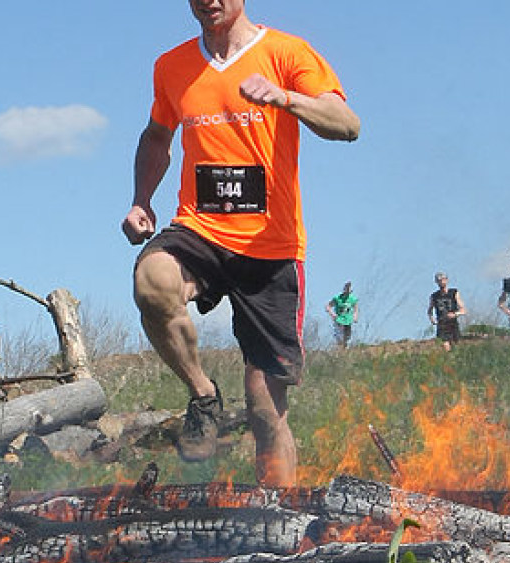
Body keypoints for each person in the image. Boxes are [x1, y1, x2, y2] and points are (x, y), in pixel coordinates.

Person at [121, 0, 360, 487]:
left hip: (270, 249)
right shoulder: (172, 66)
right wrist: (141, 199)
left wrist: (284, 98)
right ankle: (204, 395)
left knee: (265, 412)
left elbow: (347, 124)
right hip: (200, 229)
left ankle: (281, 525)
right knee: (153, 281)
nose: (208, 0)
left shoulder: (287, 52)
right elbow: (156, 136)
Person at [427, 272, 466, 351]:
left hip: (453, 323)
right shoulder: (434, 296)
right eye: (439, 280)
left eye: (443, 280)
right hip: (442, 324)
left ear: (447, 280)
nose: (441, 282)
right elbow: (430, 310)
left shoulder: (454, 293)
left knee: (456, 345)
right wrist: (432, 319)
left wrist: (455, 314)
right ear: (436, 282)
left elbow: (463, 310)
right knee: (445, 345)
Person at [326, 281, 359, 348]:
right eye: (346, 290)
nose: (347, 292)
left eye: (349, 291)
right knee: (340, 337)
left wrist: (355, 317)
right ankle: (339, 348)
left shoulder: (353, 299)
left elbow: (356, 309)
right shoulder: (337, 298)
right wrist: (332, 314)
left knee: (347, 337)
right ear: (344, 290)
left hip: (348, 320)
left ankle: (345, 349)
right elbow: (328, 306)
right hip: (339, 320)